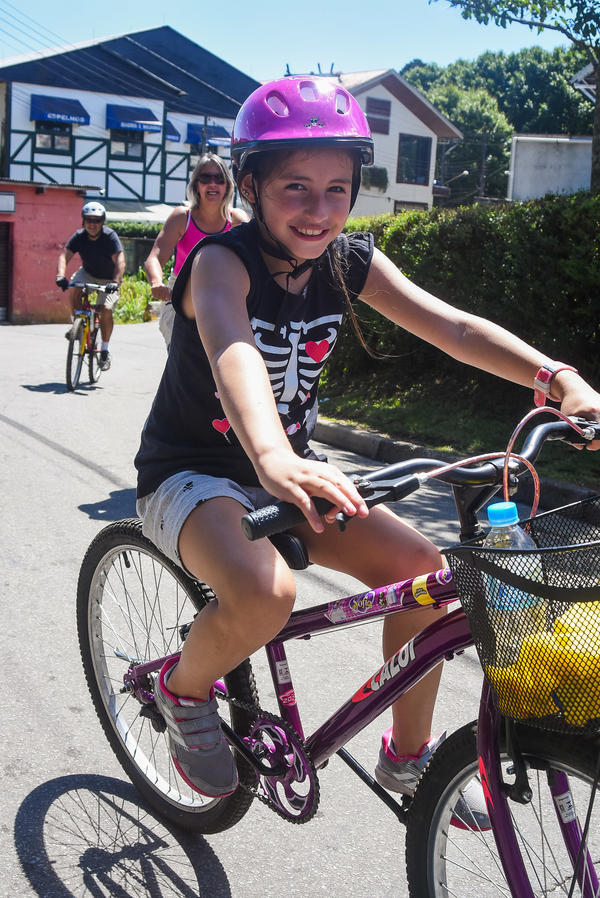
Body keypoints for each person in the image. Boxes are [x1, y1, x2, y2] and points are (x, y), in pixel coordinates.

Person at [134, 77, 600, 802]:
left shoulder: (348, 262)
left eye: (337, 190)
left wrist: (557, 376)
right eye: (295, 187)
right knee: (265, 594)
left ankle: (409, 762)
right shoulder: (221, 262)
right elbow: (234, 353)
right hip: (192, 474)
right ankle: (182, 689)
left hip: (293, 471)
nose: (319, 211)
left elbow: (454, 327)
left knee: (423, 573)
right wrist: (273, 456)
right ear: (251, 186)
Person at [144, 153, 249, 350]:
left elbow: (254, 262)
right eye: (205, 178)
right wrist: (157, 282)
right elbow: (155, 258)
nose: (212, 184)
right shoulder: (182, 217)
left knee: (219, 358)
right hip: (181, 294)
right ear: (196, 185)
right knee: (180, 356)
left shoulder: (238, 221)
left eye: (219, 178)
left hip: (222, 294)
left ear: (227, 185)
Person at [56, 201, 124, 371]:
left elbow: (120, 260)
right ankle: (77, 326)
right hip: (88, 273)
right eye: (89, 220)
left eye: (97, 220)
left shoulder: (109, 237)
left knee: (105, 309)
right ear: (83, 221)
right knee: (74, 288)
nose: (92, 224)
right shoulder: (79, 237)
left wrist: (116, 282)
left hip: (109, 279)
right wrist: (60, 275)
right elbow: (64, 256)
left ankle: (104, 351)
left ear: (103, 222)